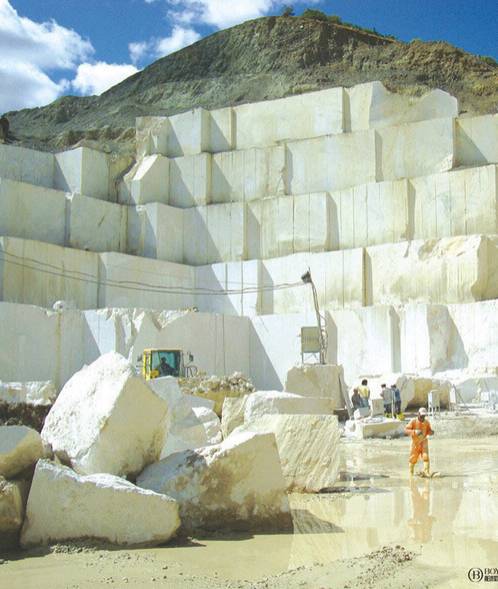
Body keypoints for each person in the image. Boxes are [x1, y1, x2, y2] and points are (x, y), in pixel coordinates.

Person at [405, 407, 434, 477]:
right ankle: (411, 473)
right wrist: (414, 432)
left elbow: (428, 430)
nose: (423, 417)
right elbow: (406, 430)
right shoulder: (413, 421)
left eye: (424, 416)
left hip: (424, 442)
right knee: (413, 458)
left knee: (425, 457)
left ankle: (426, 472)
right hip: (415, 443)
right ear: (418, 414)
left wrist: (431, 432)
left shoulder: (426, 422)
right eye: (421, 416)